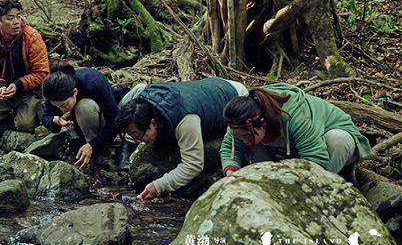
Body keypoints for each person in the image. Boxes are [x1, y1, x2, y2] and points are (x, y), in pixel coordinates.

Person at [116, 78, 248, 200]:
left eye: (138, 135)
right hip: (213, 86)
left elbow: (193, 165)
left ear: (153, 123)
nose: (136, 141)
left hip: (236, 96)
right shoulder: (147, 100)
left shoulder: (186, 121)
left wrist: (159, 186)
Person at [220, 83, 371, 176]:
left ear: (262, 122)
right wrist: (231, 172)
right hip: (293, 148)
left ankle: (323, 188)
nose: (242, 140)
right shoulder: (241, 117)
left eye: (245, 136)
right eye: (239, 136)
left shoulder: (294, 115)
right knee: (252, 148)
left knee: (337, 140)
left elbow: (315, 158)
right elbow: (229, 147)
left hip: (332, 142)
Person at [41, 63, 130, 179]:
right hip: (84, 125)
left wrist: (92, 145)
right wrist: (54, 120)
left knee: (84, 107)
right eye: (57, 107)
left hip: (104, 113)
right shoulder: (53, 92)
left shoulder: (93, 82)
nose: (62, 110)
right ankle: (91, 153)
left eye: (64, 105)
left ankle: (98, 151)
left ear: (74, 92)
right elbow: (45, 116)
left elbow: (114, 120)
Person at [0, 0, 50, 132]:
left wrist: (18, 85)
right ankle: (14, 113)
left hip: (29, 90)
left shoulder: (32, 37)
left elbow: (42, 73)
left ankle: (34, 108)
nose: (17, 22)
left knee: (24, 125)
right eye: (10, 19)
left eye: (18, 17)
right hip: (6, 91)